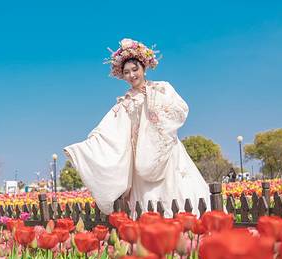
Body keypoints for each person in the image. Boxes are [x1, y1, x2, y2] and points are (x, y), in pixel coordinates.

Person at [63, 38, 210, 217]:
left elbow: (180, 109)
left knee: (178, 192)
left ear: (143, 68)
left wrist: (154, 107)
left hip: (167, 153)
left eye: (135, 69)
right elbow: (107, 129)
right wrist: (83, 149)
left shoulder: (161, 88)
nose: (132, 75)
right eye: (127, 72)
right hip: (140, 155)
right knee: (147, 203)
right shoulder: (125, 102)